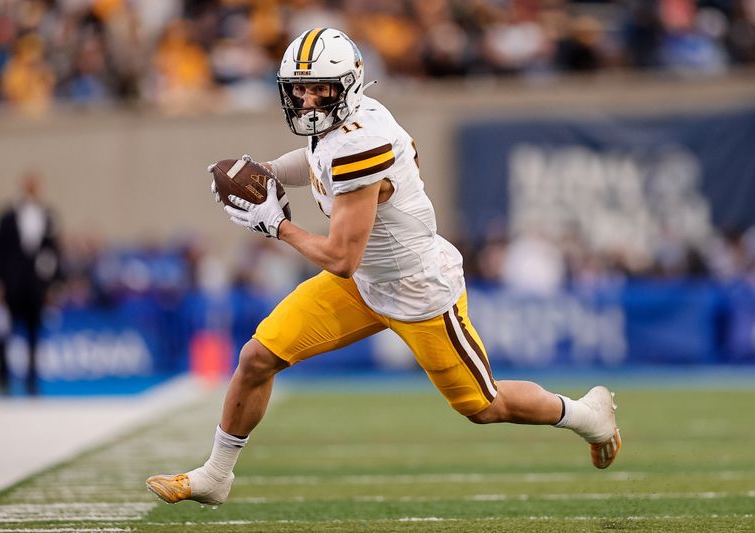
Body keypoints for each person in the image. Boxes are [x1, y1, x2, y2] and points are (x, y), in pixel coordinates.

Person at [146, 28, 621, 506]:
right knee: (257, 358)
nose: (308, 101)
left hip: (417, 289)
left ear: (348, 84)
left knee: (483, 405)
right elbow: (315, 160)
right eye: (300, 89)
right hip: (364, 283)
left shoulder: (360, 143)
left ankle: (585, 415)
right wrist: (267, 171)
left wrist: (277, 225)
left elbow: (340, 257)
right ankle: (216, 474)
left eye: (320, 89)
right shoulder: (350, 121)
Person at [0, 170, 62, 395]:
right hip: (11, 284)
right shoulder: (6, 216)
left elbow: (53, 252)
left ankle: (32, 380)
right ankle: (3, 380)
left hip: (35, 286)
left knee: (33, 332)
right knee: (5, 333)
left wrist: (52, 285)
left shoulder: (47, 215)